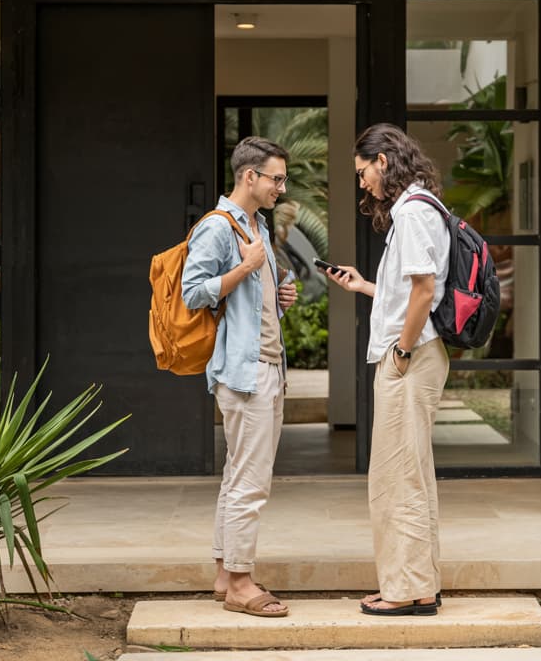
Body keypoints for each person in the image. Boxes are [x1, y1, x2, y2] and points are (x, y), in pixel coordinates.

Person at [324, 123, 450, 617]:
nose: (362, 184)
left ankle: (404, 591)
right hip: (417, 353)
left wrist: (399, 351)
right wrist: (364, 287)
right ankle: (419, 585)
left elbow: (423, 291)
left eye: (362, 173)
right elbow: (409, 294)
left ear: (383, 161)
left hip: (411, 359)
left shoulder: (414, 212)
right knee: (409, 473)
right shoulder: (419, 209)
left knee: (397, 477)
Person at [181, 136, 298, 618]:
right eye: (276, 178)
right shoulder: (217, 228)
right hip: (245, 375)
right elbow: (193, 293)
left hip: (267, 365)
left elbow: (252, 303)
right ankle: (242, 583)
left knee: (238, 477)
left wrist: (278, 299)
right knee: (251, 482)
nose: (281, 187)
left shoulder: (258, 226)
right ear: (249, 176)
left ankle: (224, 575)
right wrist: (244, 268)